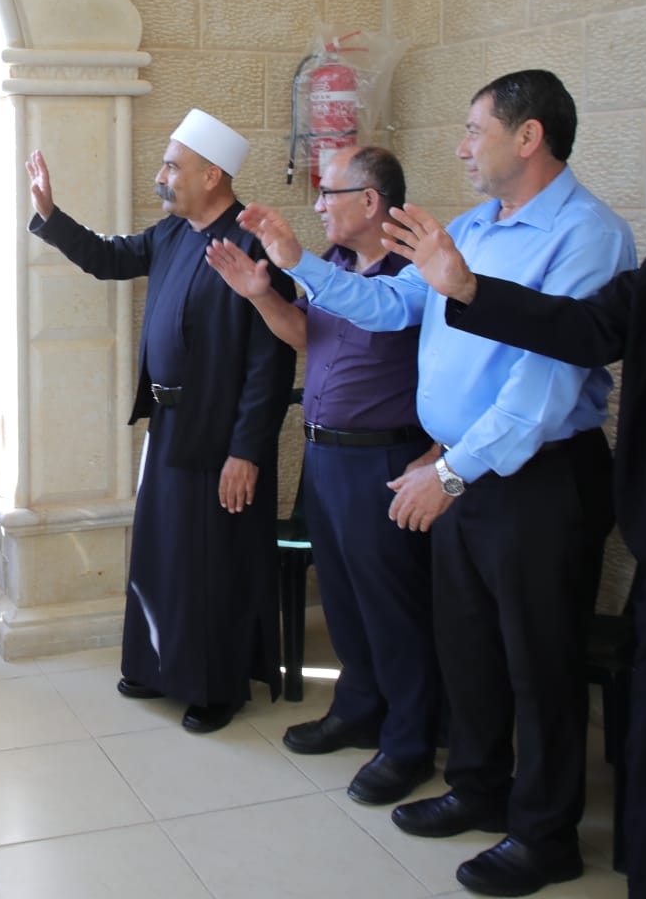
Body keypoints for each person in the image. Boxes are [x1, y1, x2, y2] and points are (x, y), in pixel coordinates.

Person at [381, 45, 646, 898]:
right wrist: (469, 290)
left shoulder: (593, 231)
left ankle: (578, 841)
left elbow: (549, 387)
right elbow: (592, 329)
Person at [236, 70, 635, 896]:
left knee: (539, 662)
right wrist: (296, 261)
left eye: (472, 128)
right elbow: (387, 308)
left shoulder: (588, 236)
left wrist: (449, 471)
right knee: (470, 648)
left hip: (535, 479)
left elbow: (545, 386)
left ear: (527, 138)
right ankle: (479, 790)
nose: (460, 145)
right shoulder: (472, 227)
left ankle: (544, 834)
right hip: (459, 471)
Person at [27, 108, 296, 734]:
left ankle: (214, 686)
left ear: (211, 175)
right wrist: (50, 214)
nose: (162, 176)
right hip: (172, 424)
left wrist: (246, 453)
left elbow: (269, 363)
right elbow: (108, 258)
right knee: (165, 555)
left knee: (214, 562)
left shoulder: (251, 244)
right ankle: (158, 665)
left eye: (172, 166)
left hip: (224, 434)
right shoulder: (173, 233)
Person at [206, 145, 439, 804]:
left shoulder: (412, 273)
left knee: (391, 605)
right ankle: (358, 706)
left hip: (385, 457)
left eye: (328, 194)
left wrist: (290, 261)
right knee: (342, 596)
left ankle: (409, 741)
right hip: (327, 454)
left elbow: (374, 311)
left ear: (369, 202)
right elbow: (310, 337)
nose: (317, 206)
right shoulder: (336, 264)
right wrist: (260, 296)